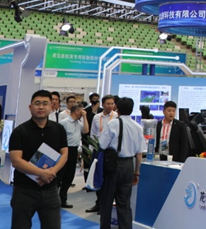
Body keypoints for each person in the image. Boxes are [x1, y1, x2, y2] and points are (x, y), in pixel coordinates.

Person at [8, 90, 69, 228]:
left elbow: (64, 154)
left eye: (45, 103)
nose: (41, 107)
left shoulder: (59, 129)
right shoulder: (20, 131)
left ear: (51, 107)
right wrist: (41, 173)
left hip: (50, 189)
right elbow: (16, 161)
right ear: (30, 107)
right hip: (24, 190)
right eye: (37, 103)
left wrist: (51, 172)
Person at [98, 97, 146, 229]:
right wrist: (136, 172)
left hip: (113, 165)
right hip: (129, 165)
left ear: (117, 109)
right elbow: (139, 153)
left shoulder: (112, 124)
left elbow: (102, 144)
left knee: (106, 201)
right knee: (124, 202)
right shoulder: (137, 127)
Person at [86, 95, 117, 214]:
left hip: (111, 152)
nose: (110, 106)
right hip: (98, 150)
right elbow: (93, 133)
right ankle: (98, 203)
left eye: (112, 103)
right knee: (98, 177)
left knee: (108, 180)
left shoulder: (116, 117)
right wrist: (91, 150)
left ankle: (106, 205)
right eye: (108, 103)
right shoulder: (96, 117)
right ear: (103, 104)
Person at [58, 103, 89, 209]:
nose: (83, 113)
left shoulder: (79, 123)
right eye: (81, 111)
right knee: (60, 175)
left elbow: (86, 131)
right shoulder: (64, 123)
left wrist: (85, 117)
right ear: (76, 111)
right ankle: (54, 199)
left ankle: (63, 199)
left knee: (69, 176)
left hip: (74, 151)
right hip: (64, 150)